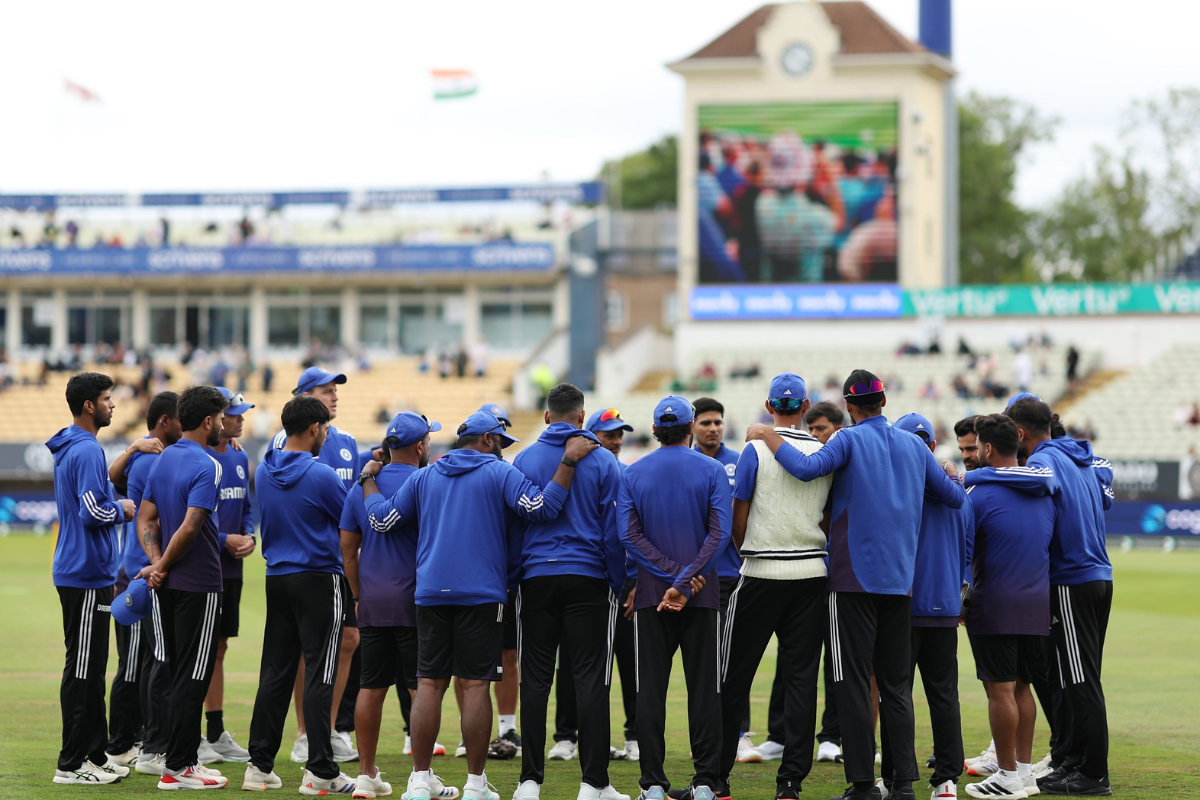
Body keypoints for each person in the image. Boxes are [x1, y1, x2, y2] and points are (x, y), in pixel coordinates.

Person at [745, 370, 966, 800]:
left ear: (848, 406)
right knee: (896, 687)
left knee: (852, 683)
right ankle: (903, 784)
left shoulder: (846, 439)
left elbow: (805, 469)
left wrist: (768, 435)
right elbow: (955, 498)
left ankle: (864, 784)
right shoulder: (913, 446)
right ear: (883, 401)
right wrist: (952, 471)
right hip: (900, 583)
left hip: (851, 583)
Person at [359, 410, 599, 800]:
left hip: (430, 593)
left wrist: (368, 480)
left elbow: (382, 521)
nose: (502, 449)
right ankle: (474, 784)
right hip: (481, 594)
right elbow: (542, 508)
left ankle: (419, 780)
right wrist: (568, 461)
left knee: (428, 684)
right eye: (500, 441)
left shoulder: (424, 476)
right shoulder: (499, 472)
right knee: (474, 686)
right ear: (487, 440)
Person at [510, 384, 629, 800]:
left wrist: (516, 578)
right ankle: (594, 783)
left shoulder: (524, 458)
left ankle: (529, 782)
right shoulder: (604, 460)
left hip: (536, 577)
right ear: (581, 416)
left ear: (547, 416)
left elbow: (515, 528)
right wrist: (619, 583)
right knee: (591, 681)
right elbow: (614, 532)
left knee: (535, 682)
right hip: (588, 577)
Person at [719, 374, 832, 800]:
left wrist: (751, 551)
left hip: (762, 571)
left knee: (733, 677)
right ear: (805, 406)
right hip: (810, 573)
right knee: (801, 683)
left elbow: (739, 519)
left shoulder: (754, 449)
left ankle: (715, 778)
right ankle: (790, 784)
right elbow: (826, 517)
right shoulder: (823, 450)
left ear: (769, 406)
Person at [244, 395, 358, 794]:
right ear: (314, 429)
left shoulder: (264, 470)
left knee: (275, 673)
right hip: (319, 579)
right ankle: (321, 769)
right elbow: (352, 523)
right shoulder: (322, 475)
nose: (326, 434)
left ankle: (259, 766)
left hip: (277, 577)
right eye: (324, 428)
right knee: (321, 672)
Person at [619, 396, 731, 800]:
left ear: (655, 430)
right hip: (700, 594)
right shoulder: (712, 469)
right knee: (704, 690)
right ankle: (706, 783)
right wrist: (685, 582)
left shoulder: (633, 472)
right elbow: (720, 534)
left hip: (653, 595)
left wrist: (671, 578)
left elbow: (628, 535)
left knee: (650, 690)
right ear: (690, 427)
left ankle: (652, 784)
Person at [1001, 399, 1114, 797]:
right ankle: (1073, 762)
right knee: (1069, 677)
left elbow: (1034, 482)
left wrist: (973, 478)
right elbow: (1103, 478)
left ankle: (1094, 774)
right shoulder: (1076, 456)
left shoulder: (1044, 461)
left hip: (1071, 579)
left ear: (1019, 433)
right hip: (1096, 576)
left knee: (1079, 679)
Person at [339, 412, 454, 800]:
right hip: (417, 601)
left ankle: (366, 775)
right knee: (422, 689)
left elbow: (347, 551)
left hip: (373, 600)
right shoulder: (429, 483)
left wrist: (359, 595)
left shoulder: (361, 486)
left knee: (370, 688)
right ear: (420, 447)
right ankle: (422, 775)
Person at [135, 385, 230, 789]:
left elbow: (145, 519)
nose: (224, 425)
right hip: (199, 584)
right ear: (208, 421)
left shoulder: (164, 458)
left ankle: (180, 761)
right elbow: (191, 526)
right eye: (221, 418)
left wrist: (157, 564)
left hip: (166, 585)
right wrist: (162, 565)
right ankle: (179, 767)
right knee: (194, 675)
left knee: (177, 674)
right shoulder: (208, 464)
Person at [961, 414, 1059, 800]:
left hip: (996, 602)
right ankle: (1024, 773)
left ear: (987, 449)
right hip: (1036, 602)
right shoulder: (1044, 491)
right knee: (1022, 688)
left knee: (999, 691)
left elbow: (963, 550)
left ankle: (1005, 776)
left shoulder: (978, 494)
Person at [47, 373, 137, 785]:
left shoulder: (79, 445)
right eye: (106, 398)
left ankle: (96, 755)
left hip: (92, 571)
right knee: (82, 669)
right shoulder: (85, 449)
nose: (112, 404)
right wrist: (122, 509)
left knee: (93, 667)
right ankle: (70, 764)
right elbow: (91, 511)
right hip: (83, 573)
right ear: (89, 405)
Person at [880, 414, 974, 800]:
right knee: (944, 695)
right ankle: (947, 780)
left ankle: (896, 778)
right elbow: (967, 553)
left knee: (895, 694)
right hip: (944, 606)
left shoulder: (895, 489)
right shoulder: (959, 494)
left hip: (901, 607)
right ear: (932, 446)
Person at [272, 366, 360, 764]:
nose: (335, 396)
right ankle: (306, 733)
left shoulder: (348, 442)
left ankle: (329, 727)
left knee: (349, 640)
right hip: (308, 563)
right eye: (326, 390)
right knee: (307, 648)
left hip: (341, 562)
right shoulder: (283, 442)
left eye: (335, 390)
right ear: (304, 397)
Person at [548, 408, 639, 764]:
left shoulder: (629, 473)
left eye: (619, 435)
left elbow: (636, 534)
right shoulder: (576, 471)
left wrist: (635, 581)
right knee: (572, 661)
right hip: (590, 579)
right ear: (590, 437)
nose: (616, 441)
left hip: (624, 582)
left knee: (630, 661)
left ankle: (634, 735)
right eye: (609, 435)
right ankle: (566, 736)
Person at [106, 393, 180, 778]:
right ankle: (124, 743)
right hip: (139, 574)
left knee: (144, 661)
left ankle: (138, 739)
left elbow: (116, 478)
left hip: (138, 569)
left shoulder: (148, 456)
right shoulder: (152, 459)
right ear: (165, 420)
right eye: (182, 418)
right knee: (137, 663)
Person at [691, 397, 760, 765]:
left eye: (718, 422)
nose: (713, 428)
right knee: (701, 664)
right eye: (706, 422)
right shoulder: (684, 463)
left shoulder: (740, 460)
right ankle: (705, 737)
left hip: (733, 578)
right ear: (692, 426)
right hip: (694, 580)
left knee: (736, 659)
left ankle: (739, 734)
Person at [198, 388, 257, 765]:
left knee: (219, 648)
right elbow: (188, 517)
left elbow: (247, 507)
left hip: (231, 570)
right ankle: (193, 734)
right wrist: (224, 540)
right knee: (200, 651)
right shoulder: (199, 459)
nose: (240, 419)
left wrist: (248, 535)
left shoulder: (239, 456)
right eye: (234, 414)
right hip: (204, 568)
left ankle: (215, 731)